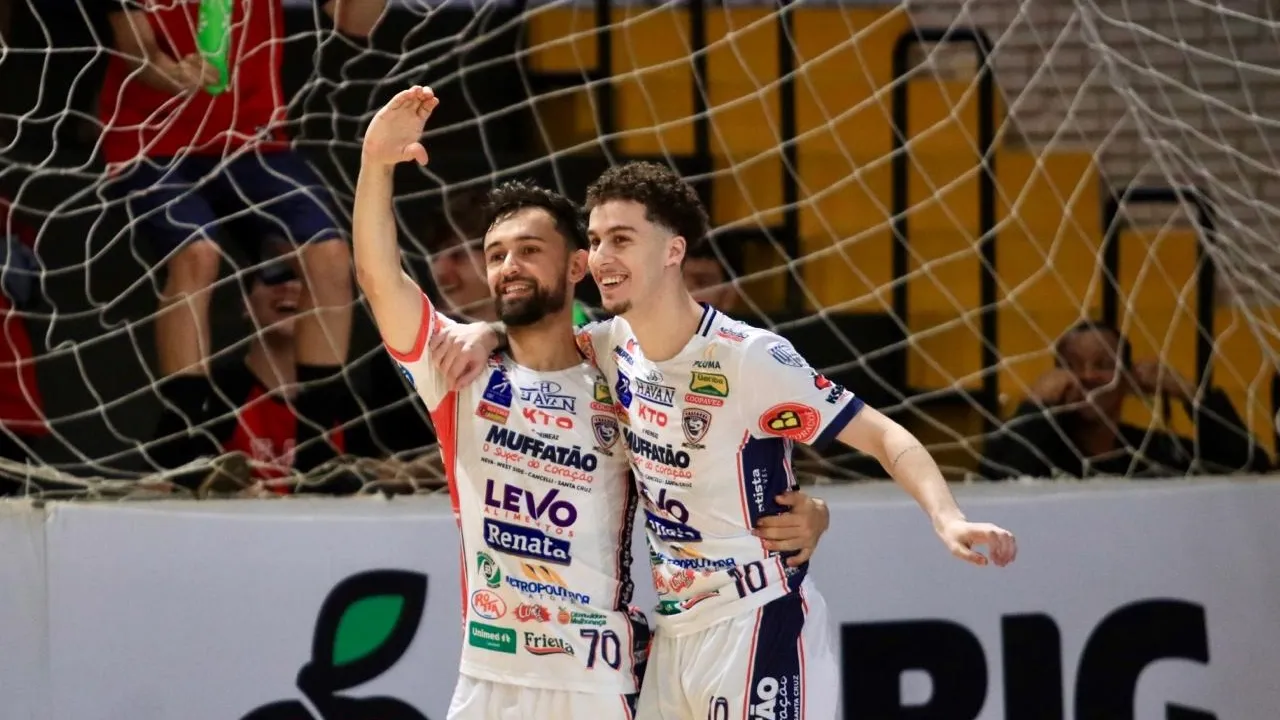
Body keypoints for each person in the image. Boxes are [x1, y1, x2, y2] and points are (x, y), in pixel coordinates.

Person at [431, 160, 1018, 720]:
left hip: (756, 619)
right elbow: (535, 330)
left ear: (674, 251)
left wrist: (947, 518)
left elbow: (884, 435)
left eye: (622, 239)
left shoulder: (749, 358)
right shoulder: (610, 346)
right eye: (596, 240)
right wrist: (485, 332)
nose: (602, 256)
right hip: (673, 636)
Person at [353, 86, 831, 719]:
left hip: (601, 684)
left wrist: (810, 511)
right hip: (490, 675)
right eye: (496, 255)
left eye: (529, 251)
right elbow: (379, 280)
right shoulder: (457, 370)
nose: (509, 266)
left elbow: (706, 468)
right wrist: (375, 164)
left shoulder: (624, 371)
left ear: (578, 265)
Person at [96, 0, 382, 400]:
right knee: (196, 253)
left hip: (252, 139)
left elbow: (356, 21)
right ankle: (186, 417)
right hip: (151, 140)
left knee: (329, 255)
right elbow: (137, 49)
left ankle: (320, 421)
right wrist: (172, 73)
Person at [147, 240, 348, 491]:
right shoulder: (215, 394)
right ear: (246, 303)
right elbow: (156, 480)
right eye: (272, 278)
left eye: (302, 280)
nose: (289, 287)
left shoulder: (345, 401)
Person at [980, 320, 1271, 479]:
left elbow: (1250, 465)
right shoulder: (1037, 449)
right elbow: (995, 480)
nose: (1088, 376)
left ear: (1129, 380)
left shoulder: (1153, 452)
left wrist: (1191, 394)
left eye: (1104, 364)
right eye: (1073, 365)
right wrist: (1034, 405)